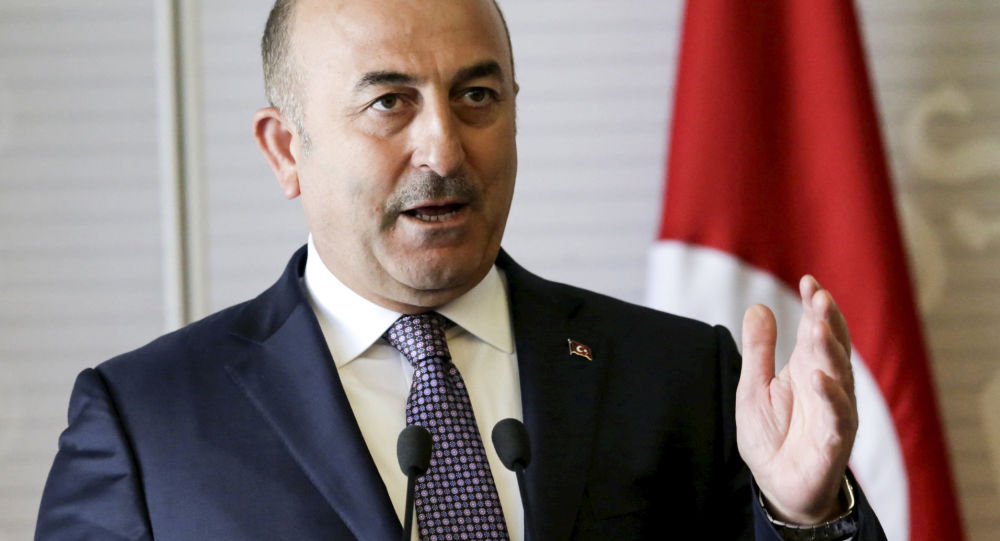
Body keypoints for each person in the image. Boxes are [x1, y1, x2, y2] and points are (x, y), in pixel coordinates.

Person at [36, 0, 887, 539]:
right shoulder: (145, 424)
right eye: (389, 102)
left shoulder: (681, 376)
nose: (444, 149)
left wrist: (806, 516)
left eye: (477, 96)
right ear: (285, 148)